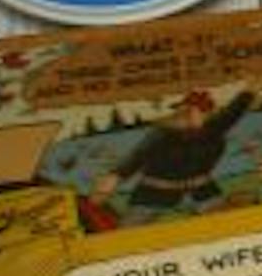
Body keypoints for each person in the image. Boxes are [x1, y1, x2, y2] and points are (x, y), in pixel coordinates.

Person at [97, 91, 252, 214]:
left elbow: (234, 112)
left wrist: (250, 91)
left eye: (188, 111)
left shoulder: (214, 130)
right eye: (180, 109)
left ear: (205, 114)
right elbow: (138, 155)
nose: (180, 113)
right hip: (153, 196)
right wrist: (115, 177)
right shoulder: (163, 133)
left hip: (203, 193)